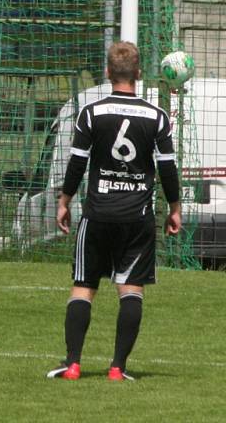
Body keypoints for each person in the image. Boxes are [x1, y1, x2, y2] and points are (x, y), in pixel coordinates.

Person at [46, 41, 182, 381]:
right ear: (138, 74)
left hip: (97, 214)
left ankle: (73, 364)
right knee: (131, 289)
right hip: (137, 218)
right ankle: (117, 368)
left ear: (108, 73)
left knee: (83, 286)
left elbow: (77, 163)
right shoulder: (157, 116)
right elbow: (168, 169)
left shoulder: (91, 113)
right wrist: (175, 208)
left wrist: (64, 201)